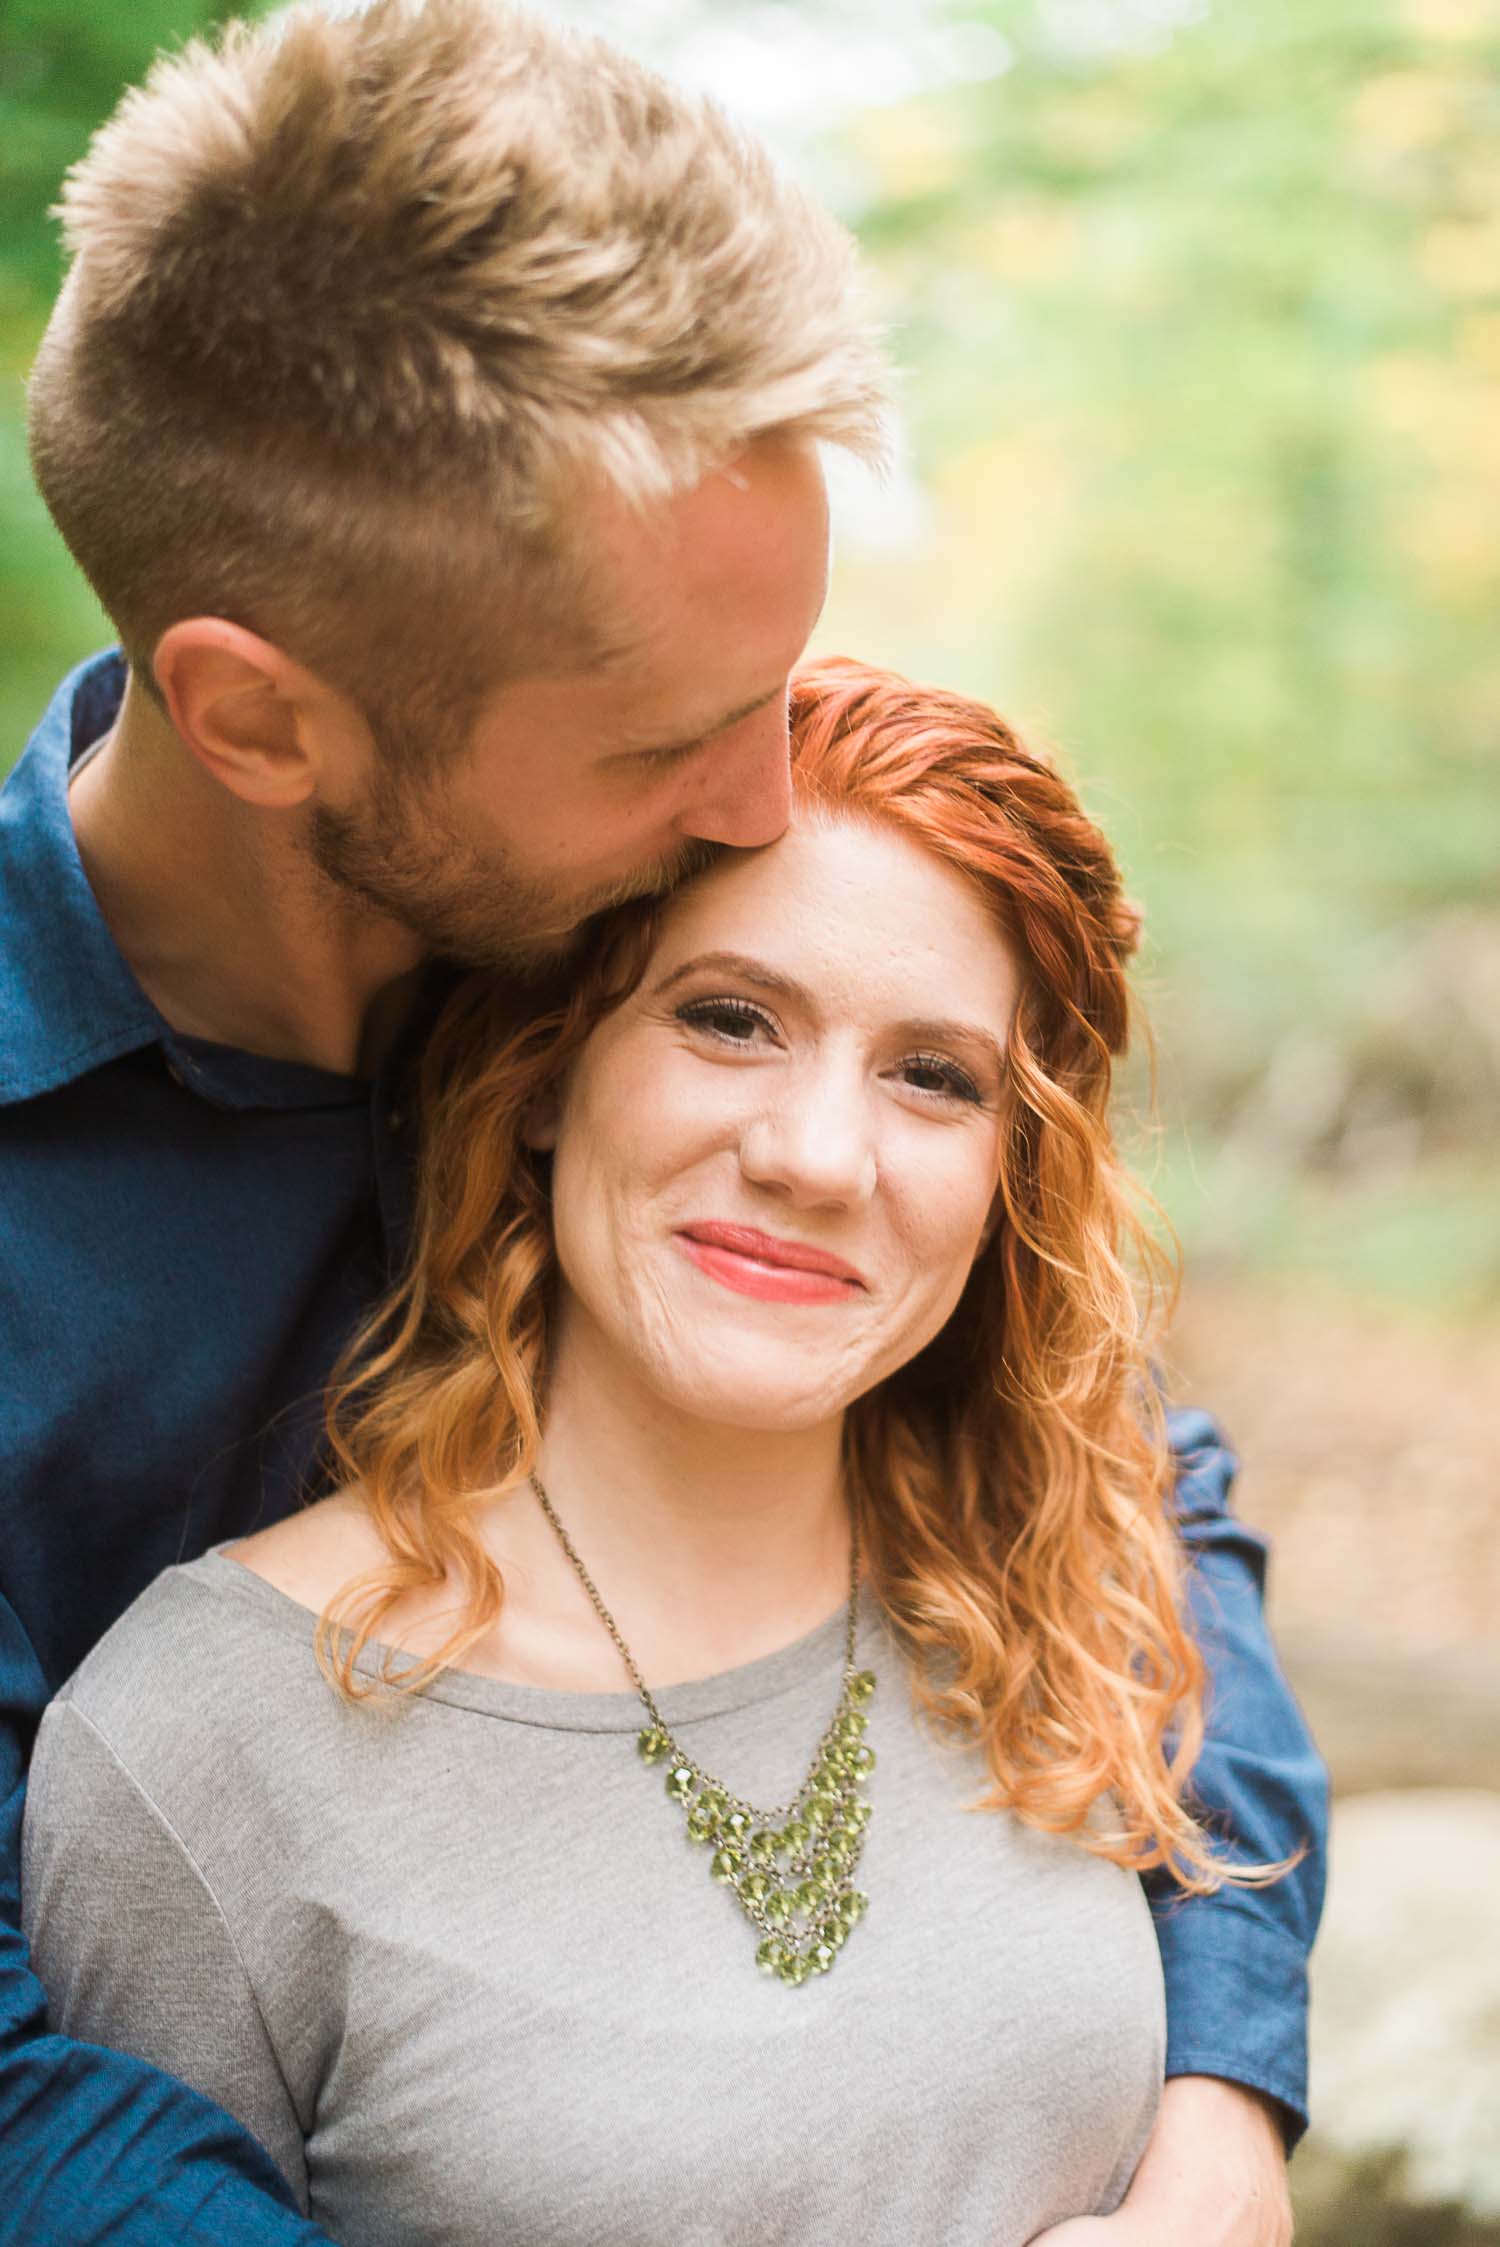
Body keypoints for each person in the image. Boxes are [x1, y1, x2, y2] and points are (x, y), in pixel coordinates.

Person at [0, 3, 1325, 2242]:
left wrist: (1218, 2111)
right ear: (262, 719)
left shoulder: (644, 922)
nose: (764, 796)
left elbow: (1112, 1476)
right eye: (669, 743)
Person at [25, 656, 1312, 2245]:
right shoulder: (203, 1749)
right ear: (551, 1070)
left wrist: (1230, 2145)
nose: (818, 1155)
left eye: (933, 1075)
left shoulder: (1054, 1576)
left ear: (1005, 1180)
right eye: (729, 1019)